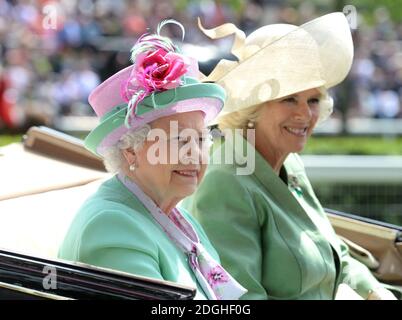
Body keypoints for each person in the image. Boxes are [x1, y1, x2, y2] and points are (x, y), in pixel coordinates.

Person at [181, 13, 396, 300]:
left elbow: (337, 257)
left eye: (313, 100)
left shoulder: (288, 162)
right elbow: (239, 301)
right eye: (289, 99)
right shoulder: (225, 182)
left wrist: (375, 293)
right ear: (251, 106)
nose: (305, 114)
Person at [58, 20, 246, 300]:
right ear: (130, 150)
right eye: (179, 140)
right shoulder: (112, 226)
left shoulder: (179, 219)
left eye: (201, 140)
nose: (194, 153)